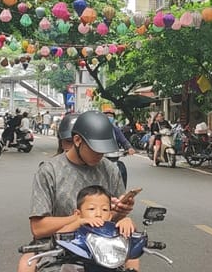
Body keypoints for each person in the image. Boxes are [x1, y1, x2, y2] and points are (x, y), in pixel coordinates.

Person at [18, 111, 135, 272]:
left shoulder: (110, 170)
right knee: (27, 264)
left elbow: (111, 219)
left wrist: (122, 214)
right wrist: (77, 219)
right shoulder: (49, 171)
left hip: (103, 247)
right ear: (77, 140)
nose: (100, 155)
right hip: (57, 247)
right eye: (95, 149)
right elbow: (38, 228)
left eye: (103, 151)